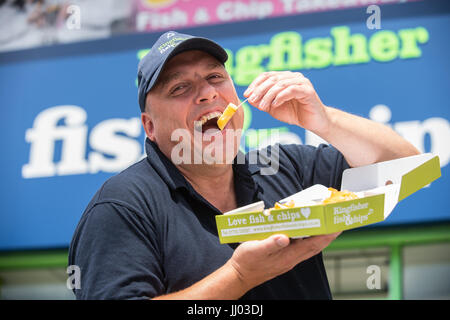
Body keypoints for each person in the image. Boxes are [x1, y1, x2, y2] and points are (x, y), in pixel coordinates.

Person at [68, 31, 419, 300]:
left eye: (216, 78)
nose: (207, 93)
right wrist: (238, 277)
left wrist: (323, 121)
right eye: (180, 88)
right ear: (149, 126)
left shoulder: (285, 167)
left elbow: (409, 167)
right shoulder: (122, 207)